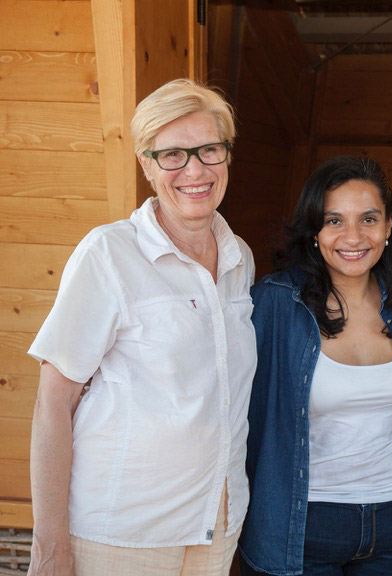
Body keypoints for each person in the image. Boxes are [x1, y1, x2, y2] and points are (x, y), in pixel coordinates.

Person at [27, 79, 256, 576]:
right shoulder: (109, 254)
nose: (195, 170)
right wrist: (48, 546)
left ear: (227, 155)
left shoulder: (239, 258)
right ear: (146, 164)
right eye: (172, 154)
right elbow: (53, 403)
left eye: (209, 150)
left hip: (215, 527)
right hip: (123, 534)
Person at [238, 156, 392, 576]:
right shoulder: (275, 303)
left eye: (368, 219)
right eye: (334, 220)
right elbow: (232, 406)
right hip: (301, 521)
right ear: (314, 231)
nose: (353, 236)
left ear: (388, 227)